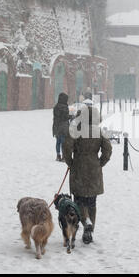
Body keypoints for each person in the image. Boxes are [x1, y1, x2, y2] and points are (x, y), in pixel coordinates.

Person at [63, 105, 112, 244]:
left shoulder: (77, 130)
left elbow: (67, 147)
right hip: (94, 169)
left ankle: (85, 222)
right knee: (92, 202)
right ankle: (89, 229)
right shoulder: (99, 132)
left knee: (79, 200)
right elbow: (108, 150)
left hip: (79, 167)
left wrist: (70, 162)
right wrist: (100, 163)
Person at [53, 93, 70, 162]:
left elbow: (57, 116)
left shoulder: (56, 106)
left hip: (57, 126)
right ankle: (64, 156)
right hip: (63, 127)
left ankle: (58, 155)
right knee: (63, 142)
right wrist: (71, 116)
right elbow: (65, 117)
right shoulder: (64, 107)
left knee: (58, 141)